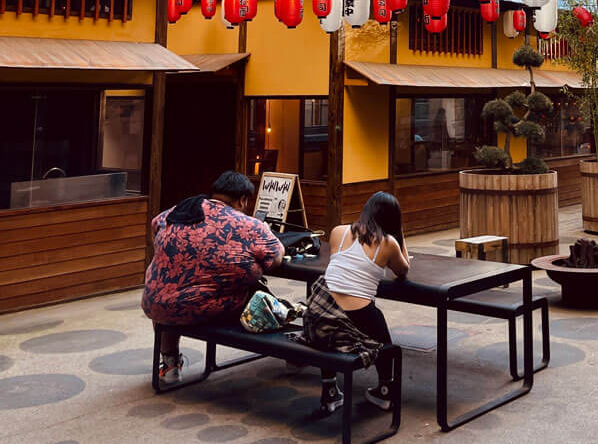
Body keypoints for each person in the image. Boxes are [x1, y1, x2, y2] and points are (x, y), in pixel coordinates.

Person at [143, 171, 284, 384]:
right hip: (204, 306)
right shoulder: (247, 224)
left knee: (174, 292)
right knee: (259, 296)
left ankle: (170, 364)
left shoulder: (179, 211)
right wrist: (265, 230)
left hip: (156, 303)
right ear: (243, 199)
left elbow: (156, 224)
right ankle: (295, 356)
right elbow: (275, 258)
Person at [304, 191, 410, 413]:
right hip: (357, 315)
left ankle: (330, 392)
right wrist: (399, 235)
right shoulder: (388, 243)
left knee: (328, 328)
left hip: (317, 315)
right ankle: (384, 392)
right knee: (385, 343)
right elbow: (403, 270)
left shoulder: (338, 231)